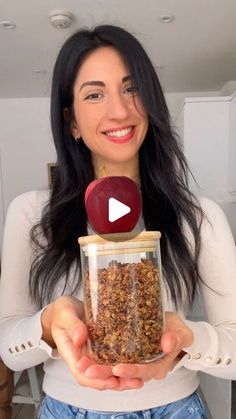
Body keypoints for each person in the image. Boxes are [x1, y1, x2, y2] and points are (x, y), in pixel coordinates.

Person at [0, 24, 236, 419]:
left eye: (131, 88)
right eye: (94, 94)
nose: (120, 110)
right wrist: (49, 323)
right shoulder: (31, 214)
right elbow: (10, 346)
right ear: (70, 120)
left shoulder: (199, 215)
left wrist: (185, 339)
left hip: (175, 409)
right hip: (68, 410)